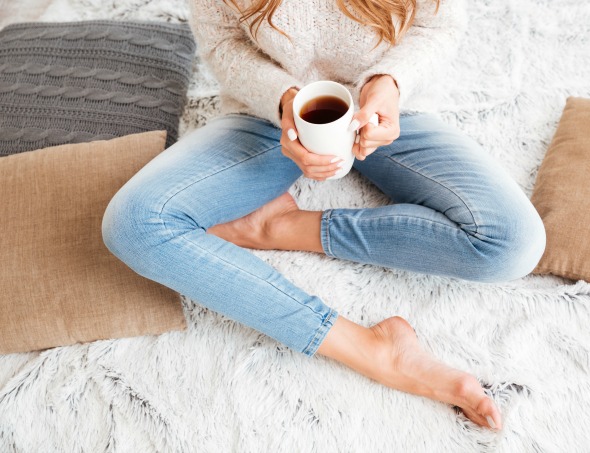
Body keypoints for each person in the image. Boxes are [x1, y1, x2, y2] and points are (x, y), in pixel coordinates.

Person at [102, 0, 547, 431]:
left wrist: (390, 82)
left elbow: (439, 23)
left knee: (513, 244)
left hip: (393, 114)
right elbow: (221, 45)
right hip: (272, 119)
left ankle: (283, 227)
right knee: (134, 222)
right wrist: (284, 102)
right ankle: (370, 350)